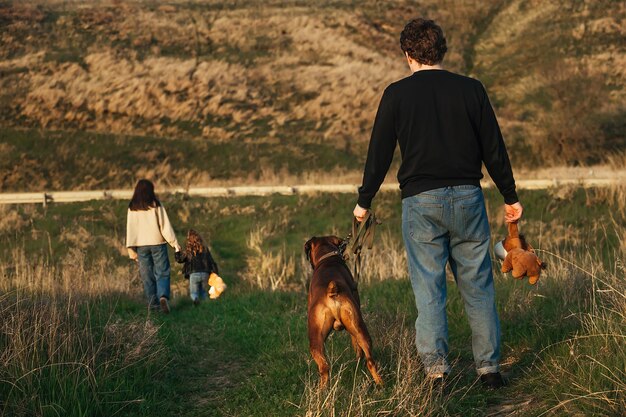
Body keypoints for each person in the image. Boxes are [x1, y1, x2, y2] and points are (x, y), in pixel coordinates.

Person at [353, 18, 523, 389]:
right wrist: (510, 196)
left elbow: (379, 153)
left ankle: (436, 372)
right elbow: (493, 148)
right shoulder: (472, 90)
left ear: (407, 54)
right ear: (441, 50)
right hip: (468, 198)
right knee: (478, 286)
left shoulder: (396, 95)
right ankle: (489, 370)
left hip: (420, 203)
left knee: (429, 290)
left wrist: (364, 202)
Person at [126, 179, 181, 313]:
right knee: (162, 272)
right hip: (158, 243)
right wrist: (175, 244)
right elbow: (165, 226)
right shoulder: (156, 204)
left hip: (141, 245)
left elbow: (130, 229)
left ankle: (153, 305)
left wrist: (131, 250)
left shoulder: (132, 207)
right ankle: (163, 296)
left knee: (147, 276)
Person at [175, 229, 220, 305]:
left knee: (193, 293)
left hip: (194, 274)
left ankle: (196, 300)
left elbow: (180, 260)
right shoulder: (205, 249)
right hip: (205, 273)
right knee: (203, 292)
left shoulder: (189, 250)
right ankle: (206, 305)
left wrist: (177, 251)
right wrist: (216, 273)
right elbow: (211, 261)